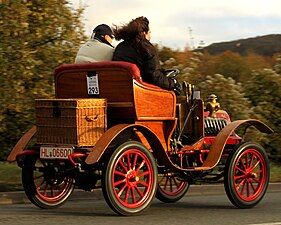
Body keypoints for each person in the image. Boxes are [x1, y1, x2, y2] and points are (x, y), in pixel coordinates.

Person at [112, 16, 181, 95]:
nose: (150, 36)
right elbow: (154, 76)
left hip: (119, 92)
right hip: (139, 94)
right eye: (149, 32)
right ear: (144, 32)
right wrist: (173, 84)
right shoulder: (146, 47)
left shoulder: (120, 47)